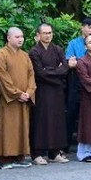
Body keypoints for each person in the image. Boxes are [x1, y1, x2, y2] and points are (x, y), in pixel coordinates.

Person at [0, 27, 36, 168]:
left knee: (22, 127)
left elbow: (31, 75)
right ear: (8, 38)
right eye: (17, 37)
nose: (20, 39)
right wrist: (17, 93)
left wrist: (29, 92)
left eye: (22, 36)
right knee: (7, 127)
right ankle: (4, 158)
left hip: (23, 97)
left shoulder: (25, 55)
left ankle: (20, 156)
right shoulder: (1, 55)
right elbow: (2, 77)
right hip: (9, 99)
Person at [28, 23, 70, 165]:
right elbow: (39, 73)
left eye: (50, 32)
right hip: (42, 91)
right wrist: (55, 72)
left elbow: (65, 69)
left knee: (57, 119)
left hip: (56, 91)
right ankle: (37, 153)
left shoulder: (58, 49)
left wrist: (49, 70)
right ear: (38, 35)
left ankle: (55, 152)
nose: (48, 35)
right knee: (41, 120)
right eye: (45, 33)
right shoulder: (34, 52)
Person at [66, 17, 91, 145]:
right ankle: (66, 145)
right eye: (89, 28)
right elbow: (70, 62)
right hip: (77, 80)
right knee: (72, 111)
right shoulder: (73, 43)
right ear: (82, 27)